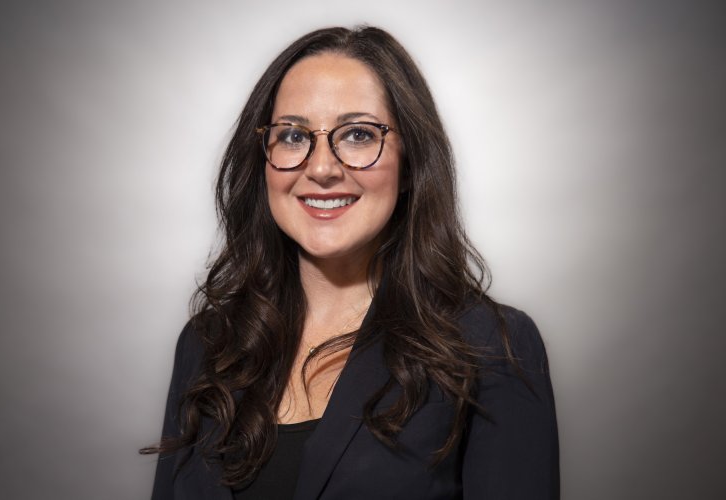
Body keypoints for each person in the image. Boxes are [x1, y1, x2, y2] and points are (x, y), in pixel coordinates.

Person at [143, 26, 559, 499]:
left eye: (359, 134)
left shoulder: (491, 349)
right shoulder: (207, 344)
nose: (321, 168)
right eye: (294, 135)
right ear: (263, 160)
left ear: (410, 164)